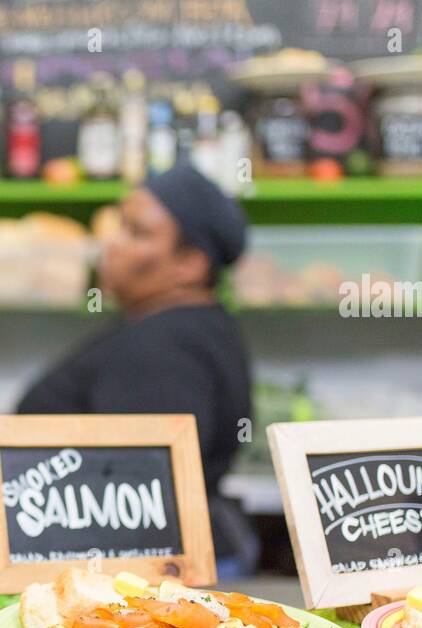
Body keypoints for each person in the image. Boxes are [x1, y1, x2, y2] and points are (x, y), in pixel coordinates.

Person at [16, 164, 255, 568]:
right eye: (117, 225)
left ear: (191, 264)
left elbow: (138, 496)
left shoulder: (164, 349)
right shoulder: (190, 324)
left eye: (136, 232)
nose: (110, 244)